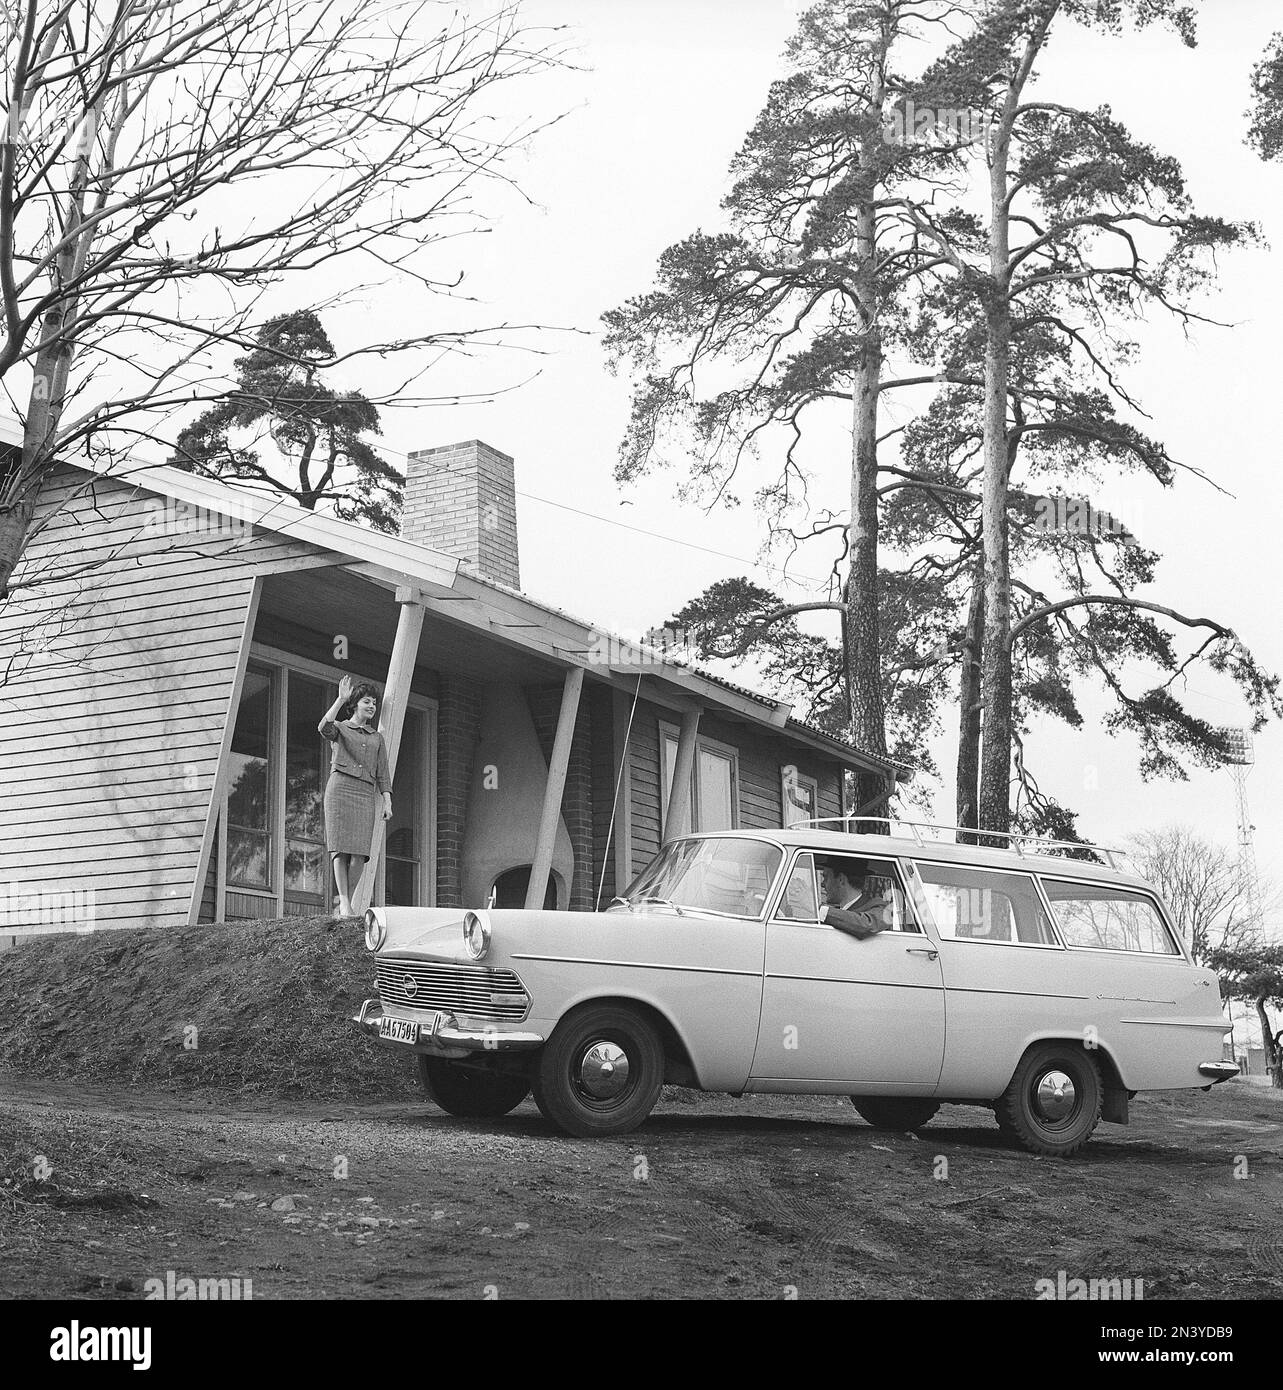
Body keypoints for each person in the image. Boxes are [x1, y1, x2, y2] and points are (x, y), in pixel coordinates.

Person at [319, 675, 392, 917]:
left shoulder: (376, 737)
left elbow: (383, 773)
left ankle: (345, 903)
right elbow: (323, 728)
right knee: (340, 849)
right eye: (367, 702)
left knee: (360, 851)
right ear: (356, 704)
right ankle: (345, 902)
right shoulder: (340, 728)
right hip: (340, 789)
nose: (371, 707)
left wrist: (387, 801)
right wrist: (340, 699)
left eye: (374, 703)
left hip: (364, 793)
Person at [816, 857, 893, 940]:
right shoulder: (835, 912)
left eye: (826, 877)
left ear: (841, 879)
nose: (822, 884)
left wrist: (818, 910)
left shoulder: (879, 907)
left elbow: (868, 924)